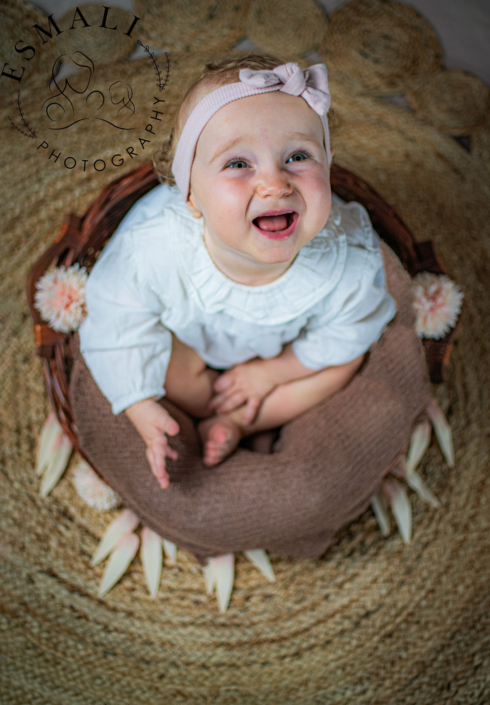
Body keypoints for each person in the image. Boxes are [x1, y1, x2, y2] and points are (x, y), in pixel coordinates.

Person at [79, 54, 396, 491]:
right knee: (148, 350)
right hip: (191, 354)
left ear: (328, 163)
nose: (275, 183)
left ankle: (244, 422)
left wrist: (273, 373)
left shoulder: (348, 257)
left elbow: (347, 330)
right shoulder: (154, 250)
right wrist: (140, 403)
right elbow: (117, 314)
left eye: (298, 156)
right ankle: (219, 409)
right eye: (238, 163)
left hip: (284, 358)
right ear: (190, 194)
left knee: (347, 360)